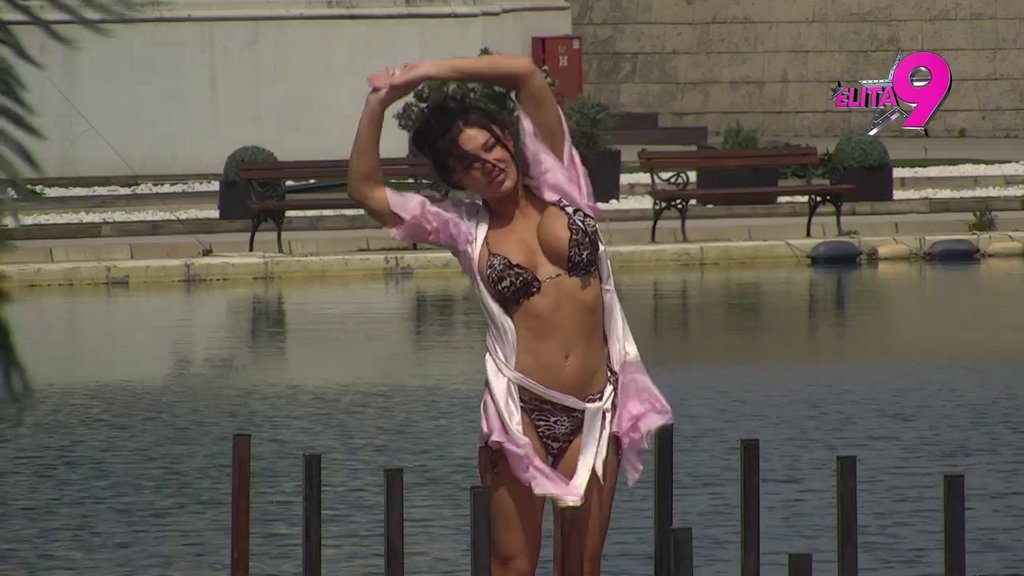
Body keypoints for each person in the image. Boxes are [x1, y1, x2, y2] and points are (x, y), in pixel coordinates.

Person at [348, 53, 673, 576]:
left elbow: (524, 73)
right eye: (469, 163)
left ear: (507, 139)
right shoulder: (464, 229)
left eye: (491, 147)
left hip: (595, 408)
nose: (489, 163)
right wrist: (378, 105)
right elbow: (365, 190)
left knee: (581, 566)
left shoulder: (563, 184)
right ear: (457, 179)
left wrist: (425, 73)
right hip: (520, 410)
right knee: (512, 565)